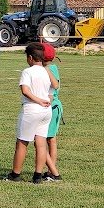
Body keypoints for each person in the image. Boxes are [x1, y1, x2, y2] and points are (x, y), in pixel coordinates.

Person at [3, 42, 59, 184]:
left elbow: (25, 91)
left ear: (30, 58)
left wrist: (39, 100)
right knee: (41, 144)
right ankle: (37, 176)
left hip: (32, 110)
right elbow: (55, 86)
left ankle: (15, 174)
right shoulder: (47, 71)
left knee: (22, 142)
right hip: (46, 112)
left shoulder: (27, 72)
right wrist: (45, 101)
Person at [42, 43, 63, 181]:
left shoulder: (46, 70)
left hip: (50, 106)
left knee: (42, 140)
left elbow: (54, 86)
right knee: (51, 140)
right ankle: (50, 170)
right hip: (56, 106)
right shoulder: (54, 67)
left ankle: (52, 171)